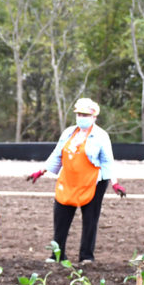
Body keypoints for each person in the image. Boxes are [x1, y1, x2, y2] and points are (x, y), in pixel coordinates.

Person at [26, 97, 126, 264]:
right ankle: (57, 255)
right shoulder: (68, 133)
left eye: (85, 115)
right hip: (69, 181)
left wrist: (115, 183)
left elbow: (108, 162)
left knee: (90, 220)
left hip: (93, 183)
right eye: (79, 114)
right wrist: (41, 171)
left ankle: (86, 256)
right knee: (60, 219)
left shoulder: (101, 136)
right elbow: (57, 154)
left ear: (94, 117)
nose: (81, 117)